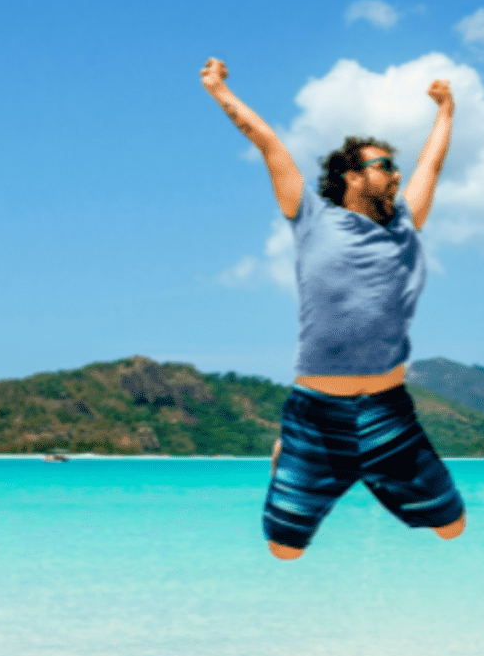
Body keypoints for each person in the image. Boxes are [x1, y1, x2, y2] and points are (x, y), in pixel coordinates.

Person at [200, 57, 466, 560]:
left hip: (389, 412)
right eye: (383, 165)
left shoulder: (406, 224)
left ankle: (371, 473)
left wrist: (446, 111)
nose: (395, 174)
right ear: (349, 176)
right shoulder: (311, 215)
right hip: (317, 414)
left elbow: (431, 164)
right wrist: (218, 89)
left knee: (452, 527)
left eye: (394, 166)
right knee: (284, 549)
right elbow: (268, 142)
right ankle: (290, 457)